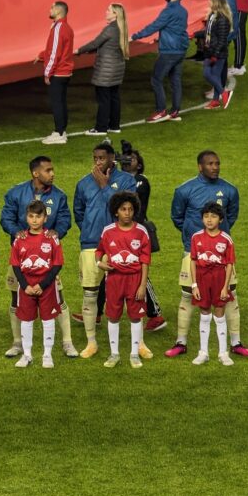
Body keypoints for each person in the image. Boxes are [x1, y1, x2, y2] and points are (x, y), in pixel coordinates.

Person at [167, 150, 248, 358]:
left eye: (217, 163)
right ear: (200, 166)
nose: (215, 167)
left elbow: (230, 217)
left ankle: (236, 343)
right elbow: (177, 218)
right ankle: (181, 342)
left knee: (229, 295)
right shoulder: (184, 190)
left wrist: (216, 239)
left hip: (221, 255)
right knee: (188, 295)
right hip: (193, 251)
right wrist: (197, 238)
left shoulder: (229, 190)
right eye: (210, 164)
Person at [0, 157, 77, 358]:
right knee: (17, 298)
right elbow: (6, 217)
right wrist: (17, 232)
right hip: (21, 259)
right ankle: (18, 342)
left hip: (48, 261)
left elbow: (65, 219)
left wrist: (56, 232)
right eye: (48, 170)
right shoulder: (16, 192)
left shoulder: (59, 195)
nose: (52, 173)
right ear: (36, 173)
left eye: (52, 170)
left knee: (58, 298)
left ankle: (67, 342)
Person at [73, 143, 138, 359]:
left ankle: (138, 344)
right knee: (90, 294)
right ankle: (91, 342)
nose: (98, 162)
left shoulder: (127, 181)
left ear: (112, 158)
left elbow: (129, 208)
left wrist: (106, 187)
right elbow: (79, 212)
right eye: (95, 158)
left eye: (102, 158)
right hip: (91, 244)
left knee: (128, 295)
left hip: (121, 244)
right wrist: (91, 231)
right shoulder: (83, 183)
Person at [95, 191, 151, 369]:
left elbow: (145, 260)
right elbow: (99, 251)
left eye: (130, 209)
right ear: (116, 211)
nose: (127, 213)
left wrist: (142, 285)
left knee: (135, 317)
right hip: (114, 279)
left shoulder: (141, 232)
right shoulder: (108, 231)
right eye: (123, 209)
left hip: (135, 280)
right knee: (113, 316)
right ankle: (114, 354)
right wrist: (99, 263)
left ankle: (134, 354)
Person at [11, 200, 65, 368]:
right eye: (31, 216)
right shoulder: (19, 239)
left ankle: (47, 355)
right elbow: (15, 265)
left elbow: (57, 264)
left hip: (47, 286)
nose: (34, 220)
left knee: (48, 319)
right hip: (26, 285)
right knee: (26, 320)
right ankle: (27, 355)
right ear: (26, 218)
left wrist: (42, 285)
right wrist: (25, 285)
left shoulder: (52, 239)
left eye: (38, 216)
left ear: (45, 218)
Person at [118, 147, 165, 331]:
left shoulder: (140, 181)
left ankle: (155, 314)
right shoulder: (121, 180)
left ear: (140, 163)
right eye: (125, 158)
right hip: (120, 232)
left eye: (132, 159)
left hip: (135, 232)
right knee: (110, 273)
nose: (128, 161)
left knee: (138, 272)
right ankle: (95, 312)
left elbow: (130, 200)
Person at [132, 0, 188, 124]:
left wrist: (135, 36)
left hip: (169, 51)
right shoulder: (183, 11)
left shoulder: (168, 11)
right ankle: (175, 111)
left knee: (156, 79)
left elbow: (155, 26)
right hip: (180, 50)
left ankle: (161, 111)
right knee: (175, 80)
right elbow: (175, 28)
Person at [189, 202, 235, 366]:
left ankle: (223, 353)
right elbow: (193, 261)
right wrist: (194, 285)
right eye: (206, 216)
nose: (209, 220)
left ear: (220, 220)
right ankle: (203, 352)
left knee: (220, 313)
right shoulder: (196, 237)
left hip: (219, 277)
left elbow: (229, 263)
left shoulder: (226, 239)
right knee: (204, 313)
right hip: (201, 278)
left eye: (213, 216)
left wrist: (225, 286)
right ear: (202, 219)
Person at [76, 3, 128, 135]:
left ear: (115, 14)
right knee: (114, 97)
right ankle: (114, 126)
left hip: (106, 69)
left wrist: (79, 50)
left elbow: (95, 43)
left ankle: (100, 128)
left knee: (103, 99)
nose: (106, 12)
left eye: (108, 10)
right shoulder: (121, 28)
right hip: (117, 68)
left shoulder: (110, 29)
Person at [37, 2, 74, 145]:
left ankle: (59, 133)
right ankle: (61, 131)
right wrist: (41, 55)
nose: (49, 9)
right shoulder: (66, 28)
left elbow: (55, 53)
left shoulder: (59, 28)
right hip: (65, 72)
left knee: (57, 103)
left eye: (52, 7)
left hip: (58, 72)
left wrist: (47, 73)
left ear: (58, 11)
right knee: (61, 102)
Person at [202, 0, 233, 110]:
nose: (208, 1)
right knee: (214, 76)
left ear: (216, 2)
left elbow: (222, 40)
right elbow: (209, 33)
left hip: (218, 53)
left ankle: (224, 93)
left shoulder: (222, 20)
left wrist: (215, 55)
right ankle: (215, 101)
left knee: (208, 74)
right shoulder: (212, 16)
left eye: (210, 0)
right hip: (210, 51)